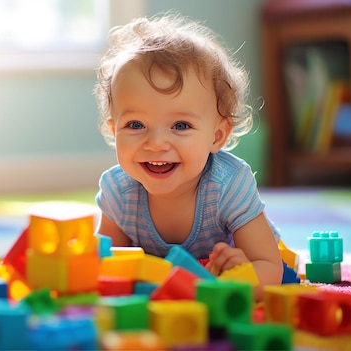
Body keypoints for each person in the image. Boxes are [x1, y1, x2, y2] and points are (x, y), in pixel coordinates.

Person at [93, 13, 283, 300]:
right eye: (135, 125)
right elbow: (105, 267)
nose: (156, 144)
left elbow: (270, 267)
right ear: (113, 129)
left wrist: (236, 280)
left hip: (222, 279)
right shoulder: (118, 192)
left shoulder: (228, 185)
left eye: (180, 126)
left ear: (217, 136)